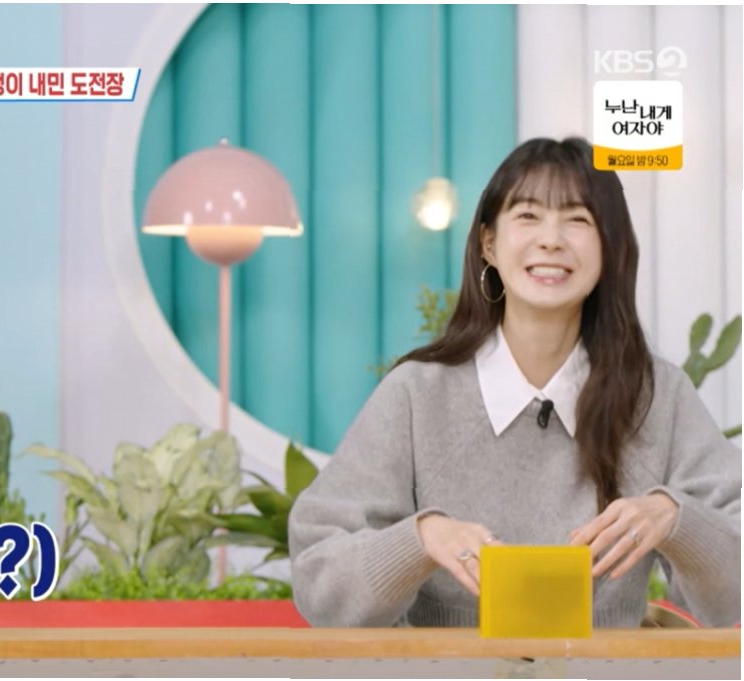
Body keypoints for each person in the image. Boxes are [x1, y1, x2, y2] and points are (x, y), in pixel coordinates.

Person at [288, 137, 741, 628]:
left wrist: (675, 519)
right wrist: (421, 538)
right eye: (528, 215)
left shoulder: (657, 396)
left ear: (610, 248)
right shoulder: (417, 394)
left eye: (578, 219)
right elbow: (319, 585)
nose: (551, 240)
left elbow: (733, 597)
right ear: (488, 243)